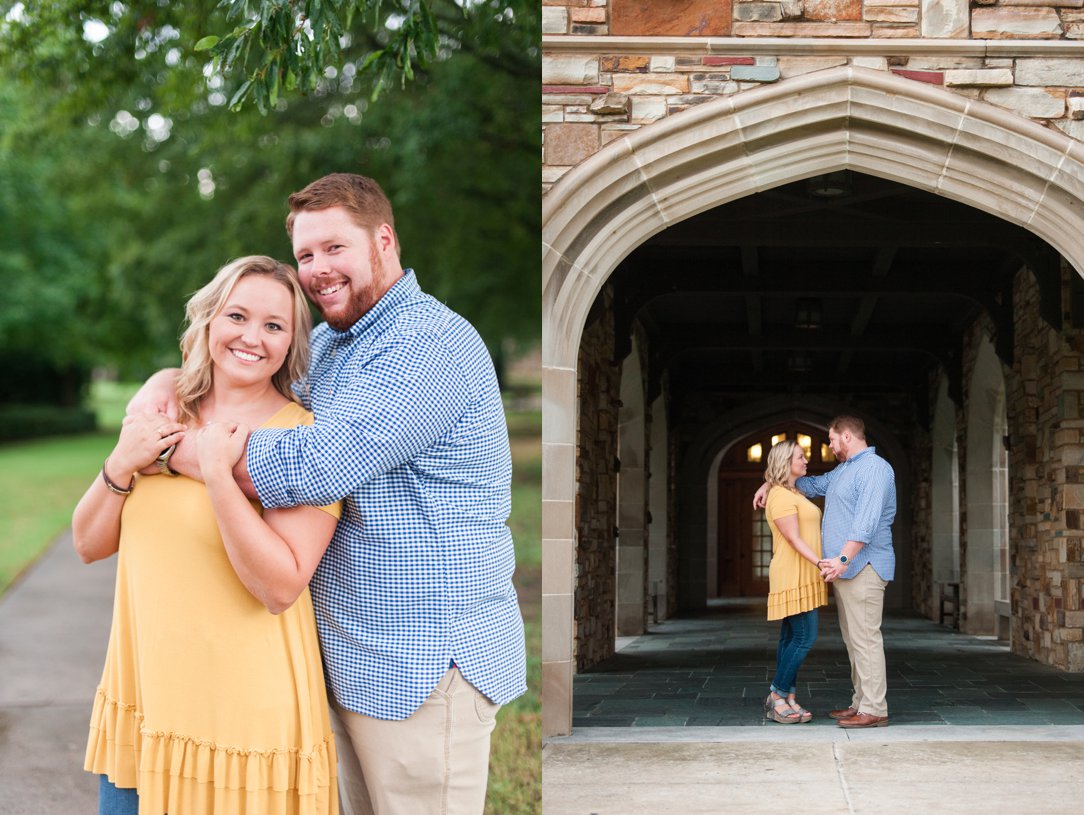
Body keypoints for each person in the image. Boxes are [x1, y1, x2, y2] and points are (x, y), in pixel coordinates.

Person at [131, 173, 527, 814]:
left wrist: (176, 451)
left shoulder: (427, 345)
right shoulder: (340, 347)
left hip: (423, 663)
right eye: (306, 254)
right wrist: (167, 379)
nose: (317, 270)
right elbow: (248, 365)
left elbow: (314, 465)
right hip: (346, 657)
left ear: (385, 240)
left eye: (335, 248)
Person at [73, 256, 341, 814]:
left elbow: (280, 587)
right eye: (237, 316)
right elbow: (87, 544)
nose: (251, 337)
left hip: (240, 721)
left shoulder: (305, 440)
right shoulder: (162, 412)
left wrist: (220, 475)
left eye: (274, 325)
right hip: (144, 701)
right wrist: (121, 465)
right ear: (210, 321)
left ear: (292, 343)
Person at [754, 415, 896, 729]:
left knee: (865, 639)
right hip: (844, 569)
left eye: (831, 440)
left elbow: (867, 522)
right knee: (854, 639)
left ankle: (874, 707)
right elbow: (808, 484)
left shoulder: (873, 469)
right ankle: (861, 701)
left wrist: (843, 558)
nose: (829, 446)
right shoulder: (844, 471)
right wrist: (770, 479)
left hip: (862, 565)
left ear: (846, 437)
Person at [761, 440, 828, 724]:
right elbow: (793, 538)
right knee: (804, 637)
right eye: (800, 457)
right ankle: (777, 695)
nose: (806, 460)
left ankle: (788, 696)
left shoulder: (791, 491)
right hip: (793, 573)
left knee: (790, 637)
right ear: (786, 462)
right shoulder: (780, 496)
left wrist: (763, 484)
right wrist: (820, 563)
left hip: (804, 572)